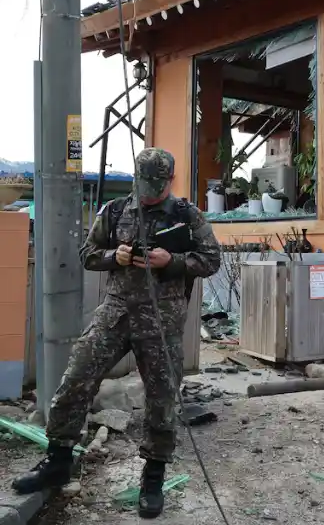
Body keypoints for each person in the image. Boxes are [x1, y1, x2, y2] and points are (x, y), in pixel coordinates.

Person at [12, 148, 221, 519]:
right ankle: (58, 460)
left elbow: (211, 260)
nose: (149, 191)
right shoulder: (114, 211)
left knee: (162, 401)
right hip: (115, 314)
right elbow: (88, 253)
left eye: (157, 185)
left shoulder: (188, 216)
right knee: (75, 380)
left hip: (161, 321)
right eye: (144, 183)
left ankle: (153, 477)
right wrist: (116, 256)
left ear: (169, 180)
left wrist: (170, 261)